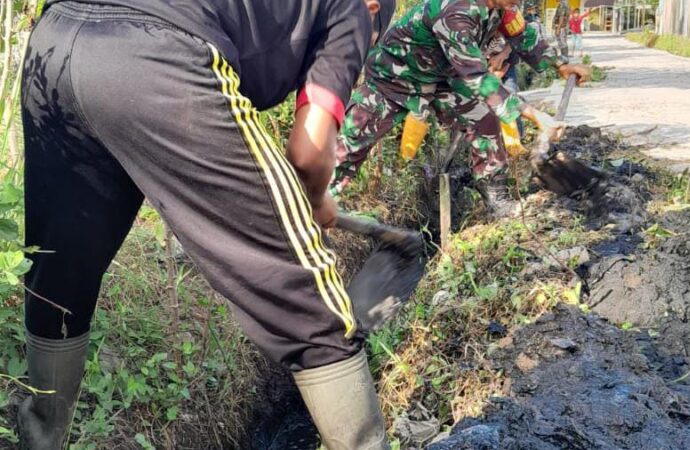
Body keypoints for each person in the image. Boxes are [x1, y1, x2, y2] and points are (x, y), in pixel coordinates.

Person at [18, 0, 395, 449]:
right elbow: (309, 153)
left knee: (59, 272)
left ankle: (38, 440)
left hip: (56, 40)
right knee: (303, 290)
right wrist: (315, 198)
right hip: (157, 55)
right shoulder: (357, 9)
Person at [332, 0, 591, 216]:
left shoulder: (505, 7)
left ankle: (497, 199)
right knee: (350, 145)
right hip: (395, 78)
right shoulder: (456, 11)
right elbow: (478, 78)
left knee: (483, 119)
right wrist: (536, 116)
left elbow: (523, 36)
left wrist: (560, 65)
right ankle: (318, 203)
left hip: (442, 78)